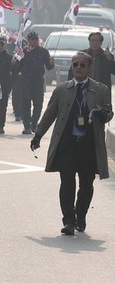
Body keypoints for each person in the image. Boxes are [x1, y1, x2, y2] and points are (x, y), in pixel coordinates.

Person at [31, 50, 113, 235]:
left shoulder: (101, 90)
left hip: (89, 144)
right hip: (67, 143)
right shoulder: (62, 89)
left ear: (89, 68)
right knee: (67, 182)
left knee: (86, 184)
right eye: (75, 64)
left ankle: (80, 215)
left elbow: (109, 113)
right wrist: (38, 135)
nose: (78, 68)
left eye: (82, 65)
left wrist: (103, 114)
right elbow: (50, 113)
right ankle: (68, 220)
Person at [14, 31, 54, 134]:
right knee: (26, 104)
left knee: (38, 104)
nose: (34, 41)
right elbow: (17, 68)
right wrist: (15, 62)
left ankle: (34, 124)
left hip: (38, 82)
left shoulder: (43, 52)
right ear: (28, 41)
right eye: (32, 39)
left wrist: (51, 63)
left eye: (36, 39)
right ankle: (26, 126)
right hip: (26, 82)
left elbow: (48, 67)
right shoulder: (23, 52)